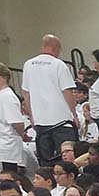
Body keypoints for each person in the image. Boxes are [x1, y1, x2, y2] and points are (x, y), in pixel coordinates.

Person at [22, 35, 78, 165]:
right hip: (62, 122)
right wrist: (74, 113)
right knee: (67, 161)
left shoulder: (28, 65)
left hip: (40, 122)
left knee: (46, 162)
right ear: (56, 48)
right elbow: (67, 92)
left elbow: (26, 93)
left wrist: (31, 116)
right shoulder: (59, 65)